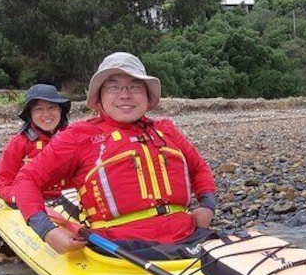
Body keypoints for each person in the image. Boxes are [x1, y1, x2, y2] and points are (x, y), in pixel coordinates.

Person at [13, 52, 217, 256]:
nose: (125, 94)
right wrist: (47, 230)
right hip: (121, 247)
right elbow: (26, 180)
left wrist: (208, 206)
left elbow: (199, 169)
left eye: (135, 86)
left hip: (189, 236)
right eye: (113, 87)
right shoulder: (78, 137)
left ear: (147, 96)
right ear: (99, 98)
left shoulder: (166, 130)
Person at [0, 84, 72, 205]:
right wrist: (20, 198)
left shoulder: (73, 138)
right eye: (38, 109)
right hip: (34, 201)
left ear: (60, 110)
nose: (46, 114)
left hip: (71, 199)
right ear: (30, 114)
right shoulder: (18, 143)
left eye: (52, 107)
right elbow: (3, 183)